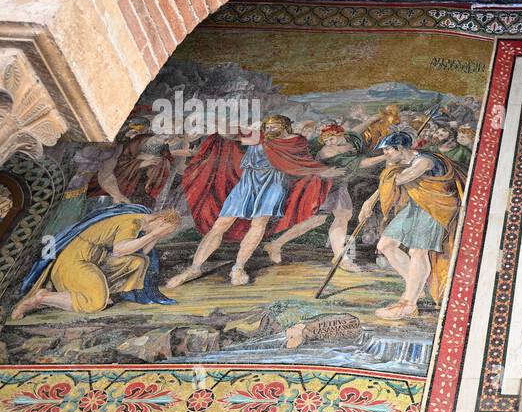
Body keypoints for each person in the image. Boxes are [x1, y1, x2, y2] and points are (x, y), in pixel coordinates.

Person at [167, 114, 343, 288]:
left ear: (285, 127)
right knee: (221, 224)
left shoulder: (297, 141)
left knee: (258, 224)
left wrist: (321, 172)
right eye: (267, 126)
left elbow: (301, 163)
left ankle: (238, 267)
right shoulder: (257, 136)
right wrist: (217, 124)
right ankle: (195, 267)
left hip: (273, 184)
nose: (269, 129)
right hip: (247, 184)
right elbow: (230, 135)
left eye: (274, 126)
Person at [357, 130, 462, 319]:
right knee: (386, 245)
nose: (385, 154)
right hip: (416, 205)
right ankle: (416, 288)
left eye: (388, 150)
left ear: (400, 148)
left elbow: (400, 180)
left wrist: (389, 167)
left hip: (435, 206)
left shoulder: (424, 161)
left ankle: (408, 303)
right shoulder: (400, 162)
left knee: (418, 251)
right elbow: (388, 183)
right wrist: (369, 202)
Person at [12, 206, 182, 318]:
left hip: (93, 260)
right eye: (165, 230)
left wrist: (155, 236)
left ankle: (107, 292)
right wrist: (153, 235)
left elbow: (140, 252)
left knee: (138, 262)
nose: (164, 234)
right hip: (74, 263)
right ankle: (41, 298)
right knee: (95, 303)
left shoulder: (141, 221)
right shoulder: (132, 222)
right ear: (160, 220)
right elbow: (119, 250)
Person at [264, 124, 364, 272]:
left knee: (340, 216)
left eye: (332, 138)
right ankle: (276, 244)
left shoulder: (346, 141)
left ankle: (339, 256)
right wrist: (384, 157)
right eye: (327, 139)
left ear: (340, 134)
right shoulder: (328, 150)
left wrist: (374, 118)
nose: (328, 142)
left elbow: (355, 131)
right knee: (320, 219)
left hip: (339, 185)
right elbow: (360, 163)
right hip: (326, 185)